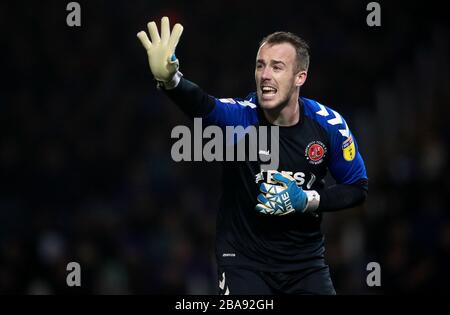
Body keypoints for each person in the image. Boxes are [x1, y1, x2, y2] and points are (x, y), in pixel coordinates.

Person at [137, 17, 368, 295]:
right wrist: (171, 80)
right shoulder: (242, 116)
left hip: (305, 265)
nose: (265, 75)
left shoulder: (328, 126)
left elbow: (357, 188)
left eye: (277, 67)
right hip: (244, 263)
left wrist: (307, 200)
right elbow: (203, 105)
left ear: (300, 77)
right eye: (260, 65)